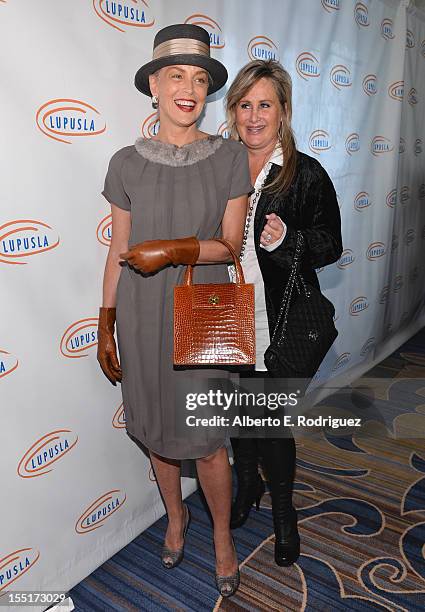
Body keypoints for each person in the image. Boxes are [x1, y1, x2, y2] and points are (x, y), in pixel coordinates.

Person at [97, 24, 252, 598]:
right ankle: (176, 518)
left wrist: (173, 249)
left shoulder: (231, 156)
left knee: (208, 439)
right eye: (177, 75)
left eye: (201, 78)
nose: (189, 87)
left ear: (208, 90)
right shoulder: (125, 163)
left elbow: (230, 245)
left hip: (207, 306)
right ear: (154, 86)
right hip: (139, 313)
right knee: (160, 433)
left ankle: (221, 537)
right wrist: (105, 321)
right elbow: (117, 252)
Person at [225, 60, 343, 566]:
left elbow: (332, 243)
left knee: (270, 421)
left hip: (278, 317)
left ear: (284, 111)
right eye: (244, 105)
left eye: (264, 105)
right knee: (238, 411)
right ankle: (246, 486)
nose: (254, 116)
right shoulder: (219, 166)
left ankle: (283, 515)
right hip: (225, 313)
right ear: (232, 112)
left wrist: (290, 240)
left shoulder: (305, 173)